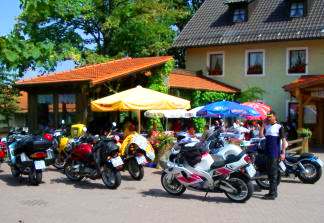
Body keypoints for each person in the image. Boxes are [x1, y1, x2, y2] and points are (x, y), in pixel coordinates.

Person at [259, 111, 288, 200]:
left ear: (275, 117)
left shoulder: (279, 127)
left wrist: (283, 153)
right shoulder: (267, 126)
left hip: (274, 153)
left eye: (270, 116)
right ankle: (272, 192)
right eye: (267, 116)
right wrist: (263, 125)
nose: (268, 118)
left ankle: (272, 194)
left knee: (273, 174)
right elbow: (261, 136)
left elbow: (283, 141)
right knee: (270, 174)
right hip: (267, 153)